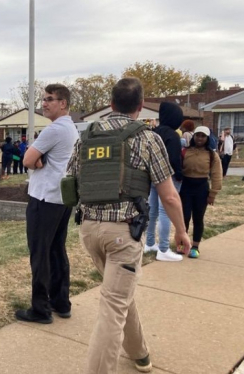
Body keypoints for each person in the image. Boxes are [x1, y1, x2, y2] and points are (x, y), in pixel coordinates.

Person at [67, 78, 190, 373]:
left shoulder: (87, 136)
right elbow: (170, 196)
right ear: (140, 106)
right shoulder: (149, 138)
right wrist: (182, 231)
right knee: (113, 306)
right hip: (124, 232)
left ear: (111, 104)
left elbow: (70, 181)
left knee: (118, 295)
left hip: (89, 230)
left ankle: (140, 354)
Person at [15, 83, 78, 325]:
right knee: (56, 250)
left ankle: (40, 308)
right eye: (44, 99)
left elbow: (28, 159)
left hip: (44, 198)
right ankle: (61, 302)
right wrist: (40, 159)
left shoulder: (54, 130)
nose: (44, 103)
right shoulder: (71, 129)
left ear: (63, 103)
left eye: (50, 99)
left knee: (40, 253)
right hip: (61, 198)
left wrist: (37, 159)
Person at [144, 101, 185, 262]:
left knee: (152, 211)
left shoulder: (153, 133)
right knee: (165, 212)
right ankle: (163, 248)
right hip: (168, 177)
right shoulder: (172, 135)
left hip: (152, 177)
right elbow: (174, 159)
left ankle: (149, 243)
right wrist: (180, 175)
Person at [181, 126, 223, 259]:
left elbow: (217, 174)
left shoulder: (212, 155)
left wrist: (213, 193)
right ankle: (183, 244)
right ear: (193, 137)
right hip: (186, 187)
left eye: (203, 136)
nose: (200, 138)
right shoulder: (185, 151)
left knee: (198, 218)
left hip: (201, 188)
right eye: (197, 135)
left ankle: (195, 247)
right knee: (184, 217)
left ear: (207, 138)